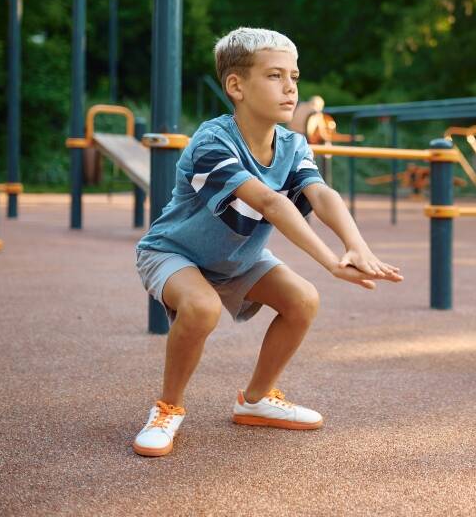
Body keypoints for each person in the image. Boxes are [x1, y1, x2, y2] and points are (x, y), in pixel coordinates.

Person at [132, 27, 402, 457]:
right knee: (201, 309)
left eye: (294, 76)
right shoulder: (212, 140)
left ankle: (256, 400)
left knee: (303, 300)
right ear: (236, 86)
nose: (291, 87)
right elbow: (270, 203)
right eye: (275, 75)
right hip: (173, 252)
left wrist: (357, 244)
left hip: (239, 258)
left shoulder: (293, 144)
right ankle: (168, 407)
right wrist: (331, 261)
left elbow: (321, 195)